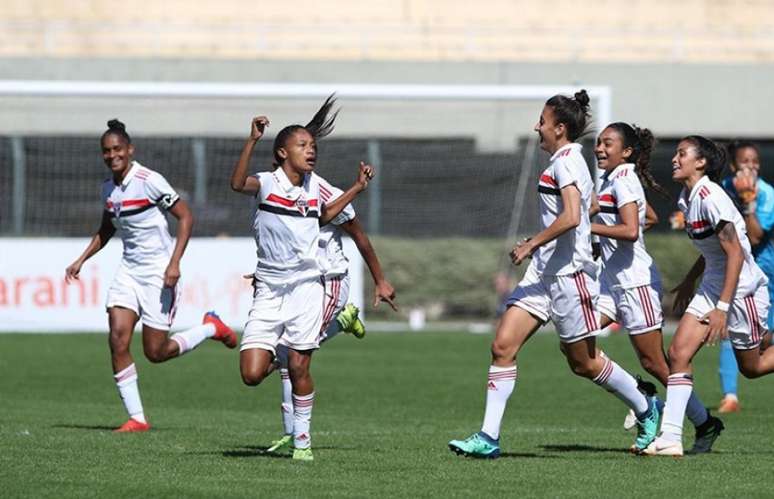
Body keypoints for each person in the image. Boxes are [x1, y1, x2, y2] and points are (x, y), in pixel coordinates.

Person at [448, 90, 659, 459]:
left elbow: (573, 216)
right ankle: (488, 438)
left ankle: (644, 404)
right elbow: (584, 208)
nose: (537, 127)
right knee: (502, 347)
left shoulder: (568, 162)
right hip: (543, 274)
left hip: (569, 276)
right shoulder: (566, 161)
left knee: (583, 362)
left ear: (560, 128)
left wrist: (531, 243)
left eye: (542, 121)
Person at [65, 119, 237, 433]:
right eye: (106, 151)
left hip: (159, 273)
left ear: (130, 150)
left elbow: (186, 217)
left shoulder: (149, 180)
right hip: (128, 272)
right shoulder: (108, 188)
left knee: (156, 352)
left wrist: (174, 264)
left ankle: (211, 328)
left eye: (117, 149)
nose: (112, 155)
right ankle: (137, 419)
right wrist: (81, 259)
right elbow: (106, 230)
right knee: (117, 339)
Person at [229, 96, 374, 461]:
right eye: (303, 146)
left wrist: (356, 188)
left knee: (298, 365)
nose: (311, 152)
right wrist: (251, 140)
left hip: (307, 287)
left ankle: (302, 442)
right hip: (269, 290)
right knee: (251, 374)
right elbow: (235, 184)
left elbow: (323, 217)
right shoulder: (266, 183)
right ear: (281, 153)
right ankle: (334, 328)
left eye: (313, 146)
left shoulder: (315, 187)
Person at [590, 123, 721, 453]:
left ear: (627, 151)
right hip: (611, 282)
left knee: (657, 364)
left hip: (636, 283)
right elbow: (646, 217)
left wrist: (586, 228)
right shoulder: (612, 179)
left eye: (608, 143)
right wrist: (602, 239)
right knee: (577, 337)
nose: (599, 149)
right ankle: (641, 397)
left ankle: (703, 422)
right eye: (598, 143)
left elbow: (633, 229)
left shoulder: (624, 177)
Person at [645, 136, 774, 457]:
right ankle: (670, 438)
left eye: (681, 154)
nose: (674, 159)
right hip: (714, 285)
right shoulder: (687, 198)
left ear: (700, 162)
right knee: (678, 354)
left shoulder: (711, 196)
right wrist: (691, 280)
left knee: (753, 367)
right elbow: (712, 250)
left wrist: (722, 308)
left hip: (742, 289)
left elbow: (735, 255)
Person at [266, 180, 398, 454]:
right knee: (285, 358)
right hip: (298, 283)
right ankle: (292, 434)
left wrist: (380, 280)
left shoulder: (324, 192)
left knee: (290, 353)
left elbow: (358, 233)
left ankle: (342, 320)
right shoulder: (274, 189)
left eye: (308, 146)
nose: (306, 153)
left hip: (330, 280)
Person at [716, 140, 774, 413]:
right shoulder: (721, 190)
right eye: (744, 161)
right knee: (731, 335)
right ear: (732, 165)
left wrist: (749, 202)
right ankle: (730, 395)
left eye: (755, 161)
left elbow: (755, 235)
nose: (751, 166)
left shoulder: (766, 194)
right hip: (735, 276)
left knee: (763, 342)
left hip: (765, 276)